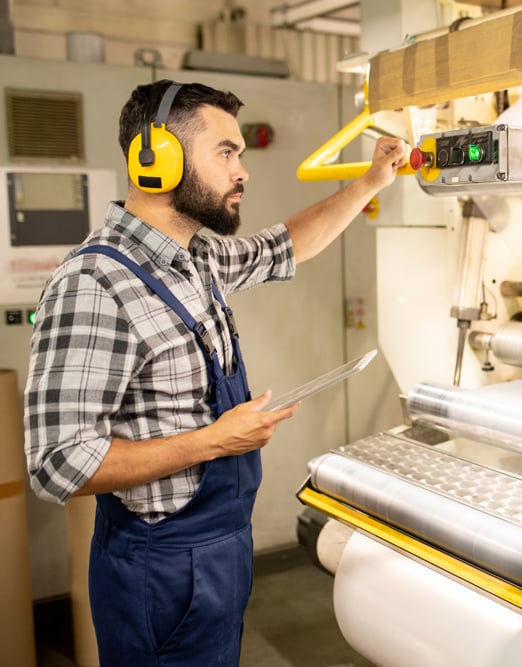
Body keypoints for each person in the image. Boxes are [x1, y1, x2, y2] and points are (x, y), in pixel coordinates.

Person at [23, 79, 407, 666]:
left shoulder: (197, 258)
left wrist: (371, 182)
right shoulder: (94, 285)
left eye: (240, 155)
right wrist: (214, 441)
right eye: (225, 152)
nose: (242, 171)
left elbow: (286, 245)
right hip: (157, 567)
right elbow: (57, 464)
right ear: (157, 159)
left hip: (219, 551)